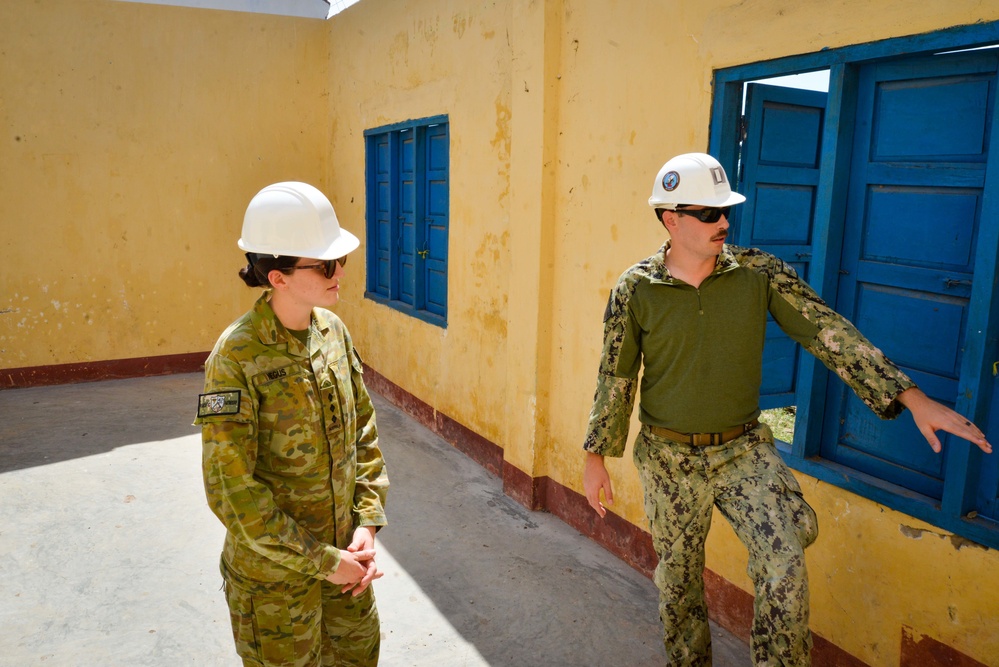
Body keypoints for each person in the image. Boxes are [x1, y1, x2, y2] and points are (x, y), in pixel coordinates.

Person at [581, 153, 992, 666]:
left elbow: (826, 330)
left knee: (785, 569)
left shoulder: (759, 272)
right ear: (672, 218)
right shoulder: (635, 287)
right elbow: (616, 375)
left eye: (726, 211)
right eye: (709, 214)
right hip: (668, 459)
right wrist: (597, 455)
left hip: (744, 453)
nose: (724, 223)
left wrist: (909, 395)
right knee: (679, 581)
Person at [195, 181, 389, 667]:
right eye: (325, 265)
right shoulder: (235, 356)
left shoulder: (332, 332)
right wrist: (325, 562)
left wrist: (366, 521)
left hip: (347, 569)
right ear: (277, 277)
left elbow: (362, 429)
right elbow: (231, 491)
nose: (339, 272)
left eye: (340, 260)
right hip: (276, 587)